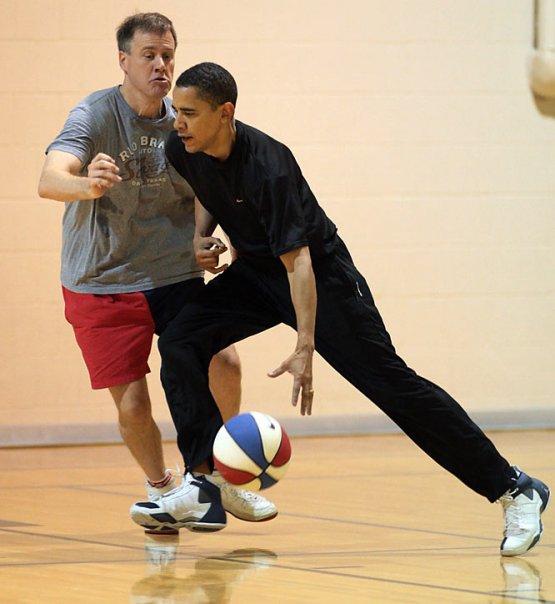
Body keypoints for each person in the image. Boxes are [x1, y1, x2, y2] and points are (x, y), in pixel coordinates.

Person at [130, 62, 550, 556]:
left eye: (189, 113)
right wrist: (202, 236)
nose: (177, 122)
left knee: (393, 386)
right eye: (176, 111)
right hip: (259, 274)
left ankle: (514, 489)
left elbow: (300, 262)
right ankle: (205, 482)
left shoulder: (270, 165)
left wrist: (305, 344)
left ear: (226, 113)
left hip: (320, 277)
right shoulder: (184, 147)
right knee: (181, 338)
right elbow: (209, 190)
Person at [37, 16, 276, 533]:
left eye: (168, 54)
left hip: (172, 270)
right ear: (123, 60)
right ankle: (164, 491)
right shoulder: (95, 114)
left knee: (224, 360)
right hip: (101, 279)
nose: (161, 65)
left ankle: (223, 476)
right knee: (135, 400)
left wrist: (202, 237)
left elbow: (202, 192)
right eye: (148, 55)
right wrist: (86, 186)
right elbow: (49, 178)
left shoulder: (185, 119)